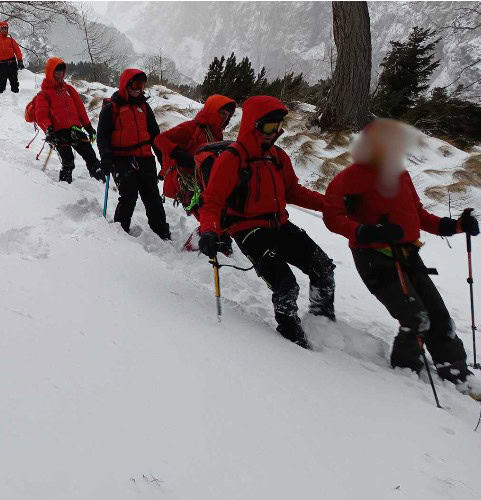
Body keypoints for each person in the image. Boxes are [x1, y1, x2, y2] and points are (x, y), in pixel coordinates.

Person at [323, 119, 481, 398]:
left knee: (438, 314)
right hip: (374, 258)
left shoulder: (399, 174)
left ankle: (455, 371)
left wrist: (455, 226)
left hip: (408, 254)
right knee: (416, 317)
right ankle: (405, 371)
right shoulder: (349, 179)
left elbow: (418, 216)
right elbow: (332, 217)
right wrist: (367, 231)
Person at [197, 95, 334, 349]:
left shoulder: (277, 157)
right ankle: (293, 341)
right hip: (248, 231)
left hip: (280, 225)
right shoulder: (232, 159)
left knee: (322, 267)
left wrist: (330, 204)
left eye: (278, 127)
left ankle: (323, 322)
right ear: (254, 125)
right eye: (270, 126)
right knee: (286, 285)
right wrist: (209, 231)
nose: (275, 133)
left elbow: (294, 192)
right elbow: (212, 202)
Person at [97, 69, 169, 239]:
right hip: (121, 160)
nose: (139, 89)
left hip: (145, 158)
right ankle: (120, 234)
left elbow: (155, 135)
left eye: (142, 85)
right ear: (125, 85)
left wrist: (162, 158)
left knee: (152, 197)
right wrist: (106, 159)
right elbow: (102, 136)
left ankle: (162, 233)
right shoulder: (111, 108)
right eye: (135, 85)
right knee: (128, 196)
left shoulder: (144, 106)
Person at [155, 94, 236, 212]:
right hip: (189, 183)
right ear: (212, 111)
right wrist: (179, 154)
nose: (225, 117)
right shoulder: (192, 128)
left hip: (203, 182)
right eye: (222, 113)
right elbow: (160, 140)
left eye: (228, 115)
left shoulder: (217, 134)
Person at [34, 57, 102, 183]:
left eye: (61, 71)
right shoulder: (44, 94)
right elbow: (41, 116)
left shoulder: (69, 89)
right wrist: (49, 130)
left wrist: (88, 127)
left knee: (91, 157)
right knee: (68, 162)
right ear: (50, 72)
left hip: (75, 130)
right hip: (59, 133)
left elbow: (80, 109)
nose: (60, 74)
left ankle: (101, 181)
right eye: (56, 71)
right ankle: (64, 189)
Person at [0, 21, 23, 94]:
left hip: (12, 63)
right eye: (2, 28)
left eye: (5, 28)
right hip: (1, 65)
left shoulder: (11, 40)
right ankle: (0, 98)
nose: (4, 30)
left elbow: (17, 50)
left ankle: (16, 96)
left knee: (14, 82)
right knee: (1, 83)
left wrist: (20, 60)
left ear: (7, 30)